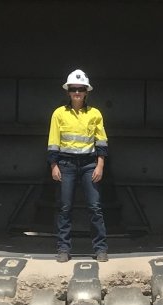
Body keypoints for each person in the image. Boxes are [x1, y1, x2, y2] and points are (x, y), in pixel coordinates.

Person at [47, 69, 109, 263]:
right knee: (65, 207)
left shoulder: (95, 114)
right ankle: (63, 249)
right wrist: (53, 165)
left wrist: (100, 166)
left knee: (95, 207)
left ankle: (100, 249)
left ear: (86, 91)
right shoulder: (58, 114)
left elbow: (101, 142)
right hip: (66, 164)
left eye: (80, 89)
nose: (77, 92)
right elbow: (53, 141)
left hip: (89, 164)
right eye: (73, 89)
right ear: (68, 91)